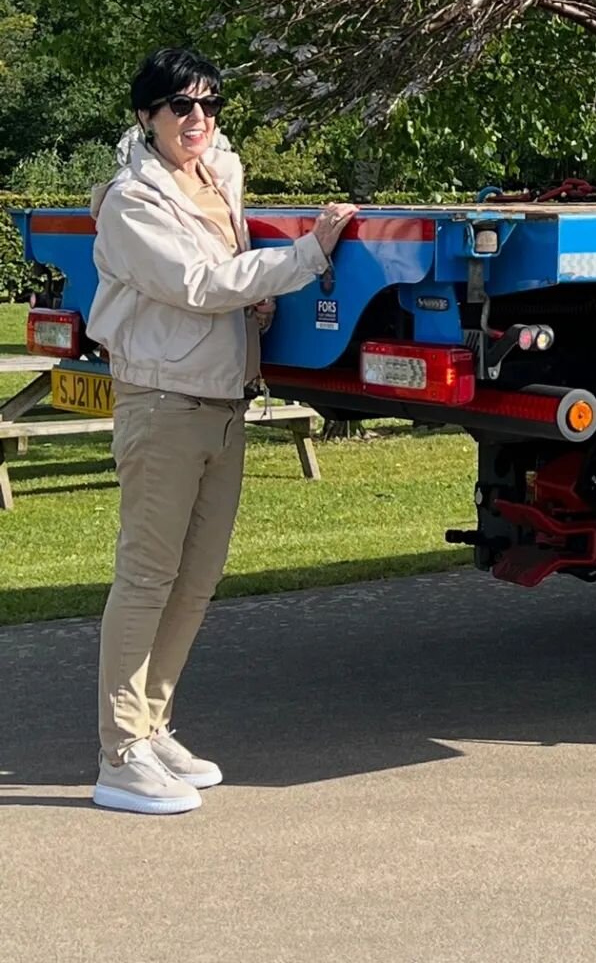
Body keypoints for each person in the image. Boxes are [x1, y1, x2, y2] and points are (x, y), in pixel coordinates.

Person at [86, 46, 357, 815]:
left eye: (207, 104)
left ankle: (154, 724)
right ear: (146, 116)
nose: (197, 119)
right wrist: (306, 256)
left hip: (222, 400)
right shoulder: (133, 200)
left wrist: (259, 303)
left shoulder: (217, 176)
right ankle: (120, 753)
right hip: (163, 403)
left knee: (197, 578)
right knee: (146, 579)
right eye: (180, 106)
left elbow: (224, 280)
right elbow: (201, 285)